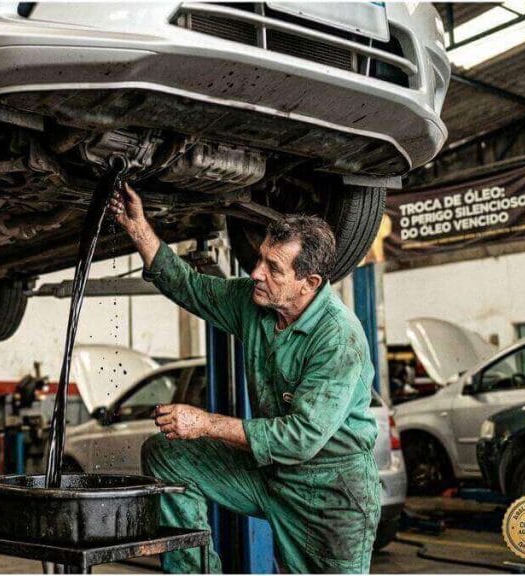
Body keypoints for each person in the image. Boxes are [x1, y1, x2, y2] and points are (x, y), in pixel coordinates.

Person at [109, 184, 380, 574]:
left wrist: (205, 423)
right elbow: (189, 286)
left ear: (310, 283)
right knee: (168, 454)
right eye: (260, 259)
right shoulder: (254, 303)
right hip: (269, 474)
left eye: (274, 269)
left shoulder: (338, 338)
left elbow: (301, 438)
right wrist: (138, 228)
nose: (256, 273)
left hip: (331, 492)